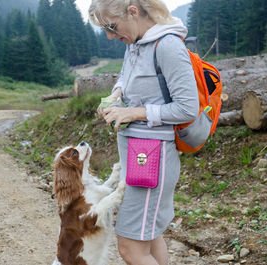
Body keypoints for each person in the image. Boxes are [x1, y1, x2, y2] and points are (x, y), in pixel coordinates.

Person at [88, 1, 199, 264]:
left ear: (133, 12)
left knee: (130, 246)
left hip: (152, 162)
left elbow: (187, 108)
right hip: (138, 158)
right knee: (149, 237)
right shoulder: (135, 44)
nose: (110, 36)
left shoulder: (168, 46)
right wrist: (116, 94)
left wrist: (133, 113)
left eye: (112, 27)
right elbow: (126, 76)